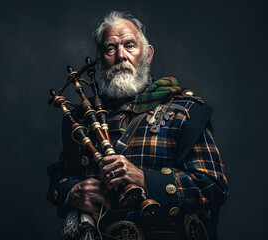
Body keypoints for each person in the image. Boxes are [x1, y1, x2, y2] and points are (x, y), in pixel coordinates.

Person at [46, 11, 228, 240]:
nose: (121, 55)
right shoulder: (82, 119)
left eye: (129, 45)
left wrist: (144, 178)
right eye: (110, 48)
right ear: (101, 58)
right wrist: (71, 191)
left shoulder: (185, 112)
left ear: (148, 54)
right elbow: (60, 176)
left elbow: (213, 187)